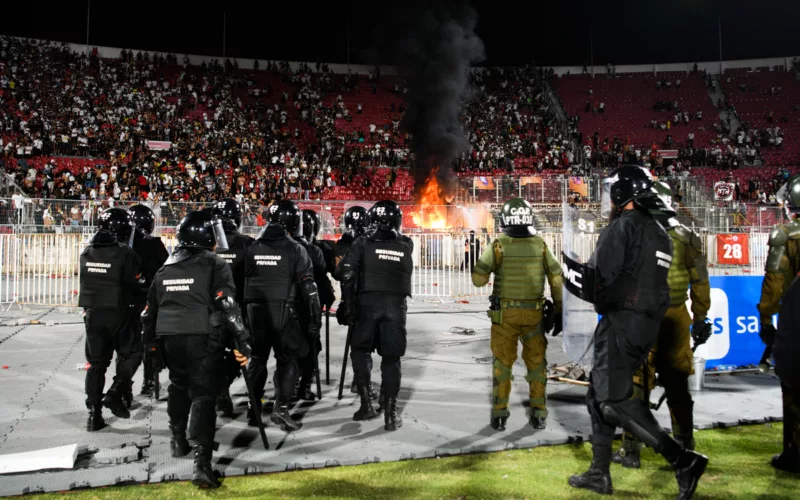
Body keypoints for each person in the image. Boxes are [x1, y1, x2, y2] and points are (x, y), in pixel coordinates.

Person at [565, 166, 708, 499]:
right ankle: (599, 473)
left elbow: (600, 278)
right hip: (644, 324)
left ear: (621, 193)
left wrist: (576, 276)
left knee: (614, 398)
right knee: (598, 395)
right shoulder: (659, 232)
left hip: (621, 323)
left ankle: (682, 459)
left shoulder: (622, 227)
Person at [141, 211, 251, 489]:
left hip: (169, 339)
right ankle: (202, 463)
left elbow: (149, 313)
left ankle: (178, 440)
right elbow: (226, 303)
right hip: (202, 337)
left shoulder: (165, 268)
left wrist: (151, 347)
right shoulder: (214, 263)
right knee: (203, 395)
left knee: (178, 387)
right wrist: (241, 339)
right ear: (207, 236)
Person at [612, 182, 712, 466]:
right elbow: (701, 282)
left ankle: (631, 450)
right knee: (678, 383)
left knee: (635, 383)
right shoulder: (687, 238)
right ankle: (684, 447)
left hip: (641, 317)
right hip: (676, 316)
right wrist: (702, 317)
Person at [471, 197, 563, 431]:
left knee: (502, 364)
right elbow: (556, 277)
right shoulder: (540, 244)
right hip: (534, 315)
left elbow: (478, 280)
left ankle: (500, 414)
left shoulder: (499, 244)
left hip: (505, 317)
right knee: (536, 365)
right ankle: (539, 413)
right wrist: (560, 308)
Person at [243, 200, 322, 431]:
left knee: (257, 360)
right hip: (282, 310)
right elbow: (309, 287)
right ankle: (282, 408)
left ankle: (253, 407)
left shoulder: (252, 246)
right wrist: (314, 318)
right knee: (288, 359)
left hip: (254, 311)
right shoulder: (296, 249)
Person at [338, 200, 414, 431]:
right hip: (395, 306)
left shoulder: (362, 242)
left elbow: (346, 273)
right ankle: (390, 413)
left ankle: (365, 405)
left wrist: (348, 304)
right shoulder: (407, 243)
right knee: (392, 359)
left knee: (360, 351)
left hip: (367, 304)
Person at [78, 208, 143, 431]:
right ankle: (116, 391)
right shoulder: (125, 252)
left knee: (96, 365)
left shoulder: (87, 252)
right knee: (133, 353)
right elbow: (136, 282)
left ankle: (93, 415)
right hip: (119, 312)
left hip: (93, 313)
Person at [759, 174, 800, 473]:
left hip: (796, 316)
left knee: (794, 385)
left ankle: (794, 453)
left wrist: (766, 319)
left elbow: (774, 282)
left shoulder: (786, 235)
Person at [210, 199, 254, 416]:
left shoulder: (207, 241)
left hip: (209, 311)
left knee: (213, 352)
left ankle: (218, 389)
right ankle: (223, 386)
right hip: (239, 309)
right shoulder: (247, 243)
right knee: (240, 351)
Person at [333, 205, 377, 397]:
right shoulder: (368, 243)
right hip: (364, 298)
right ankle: (361, 381)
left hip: (350, 298)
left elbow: (337, 273)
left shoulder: (342, 245)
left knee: (358, 343)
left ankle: (359, 380)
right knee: (364, 345)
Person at [292, 209, 334, 400]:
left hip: (291, 305)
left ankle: (292, 385)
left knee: (291, 347)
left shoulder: (289, 247)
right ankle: (304, 386)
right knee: (312, 346)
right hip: (309, 306)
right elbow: (322, 277)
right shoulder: (315, 250)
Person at [128, 204, 169, 400]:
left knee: (127, 346)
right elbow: (165, 270)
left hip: (126, 299)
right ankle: (150, 381)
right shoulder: (154, 244)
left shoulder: (121, 244)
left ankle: (124, 387)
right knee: (150, 341)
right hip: (148, 300)